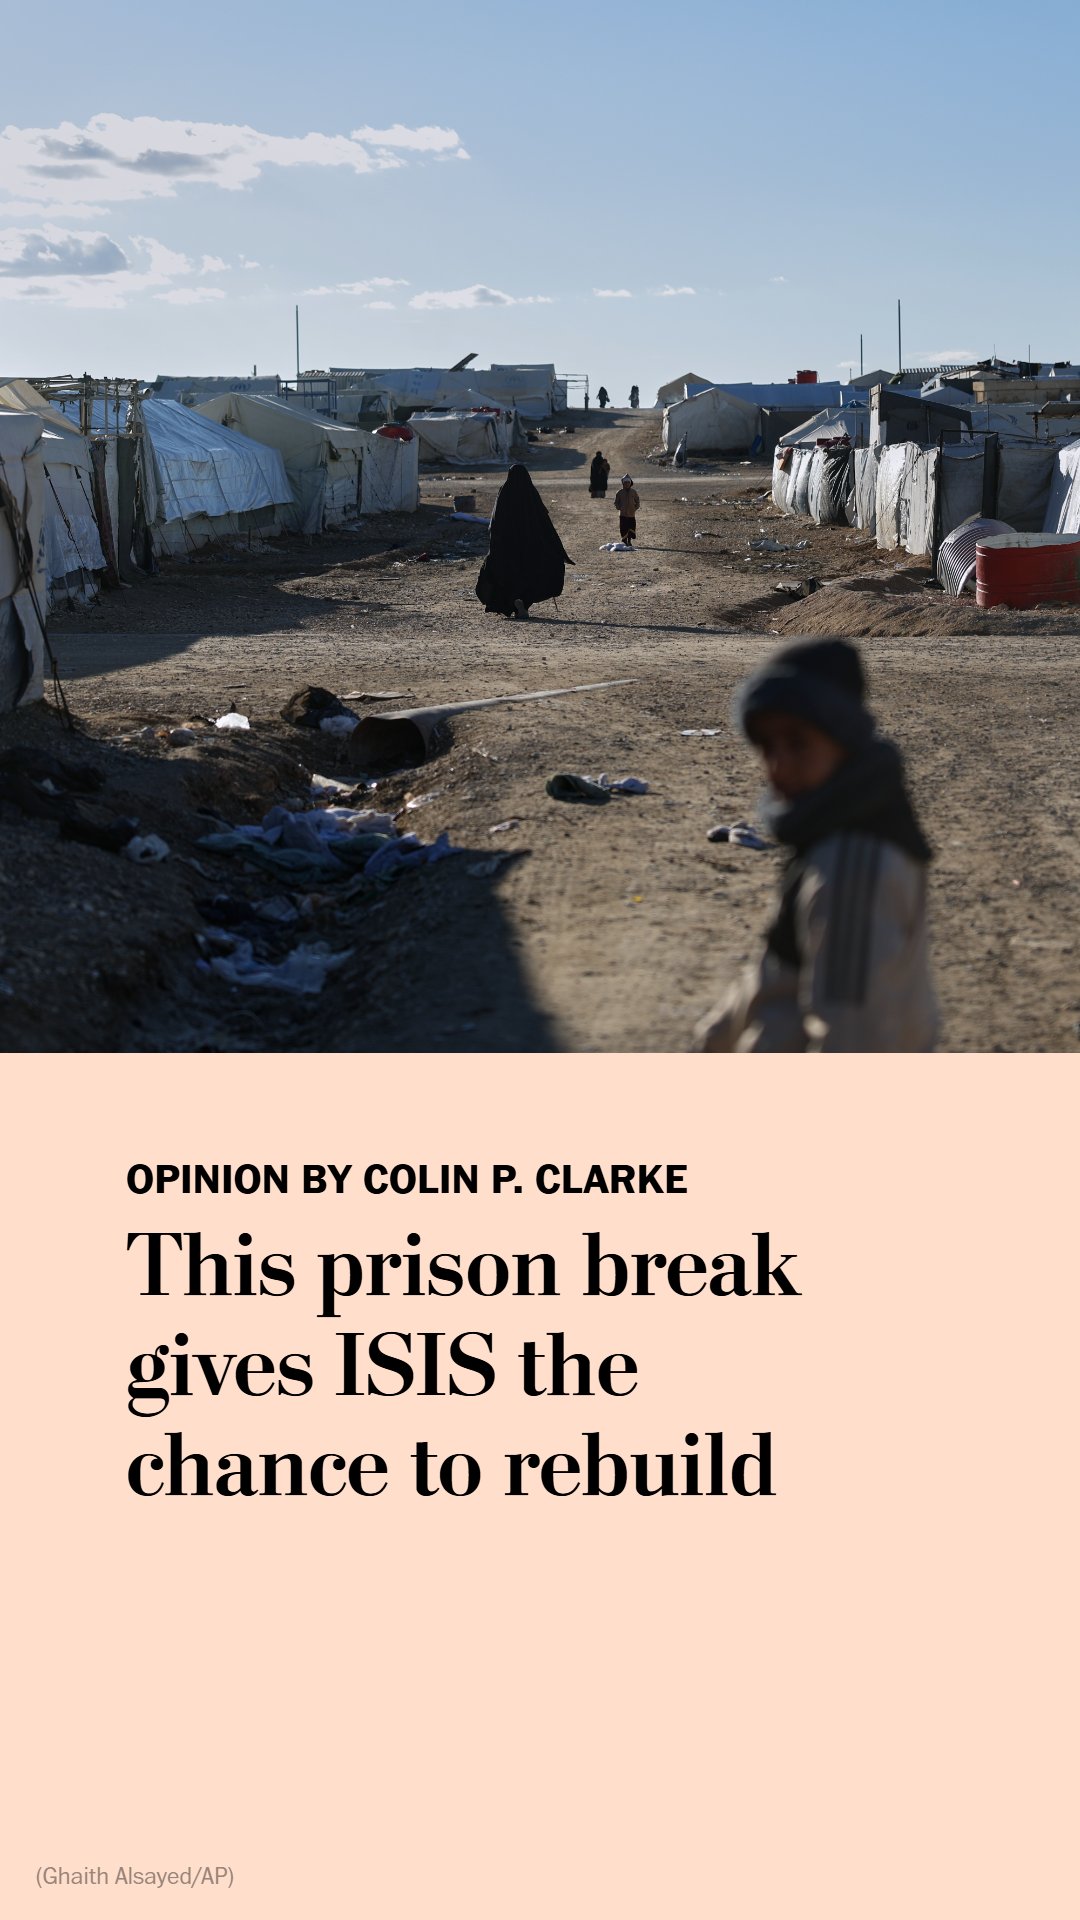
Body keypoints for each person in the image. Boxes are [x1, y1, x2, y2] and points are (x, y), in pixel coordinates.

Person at [694, 639, 938, 1052]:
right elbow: (775, 980)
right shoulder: (826, 836)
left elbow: (854, 1042)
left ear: (844, 739)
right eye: (766, 746)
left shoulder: (853, 868)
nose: (778, 766)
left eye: (798, 743)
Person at [475, 463, 573, 620]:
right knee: (529, 576)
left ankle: (514, 602)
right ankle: (524, 603)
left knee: (508, 576)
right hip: (530, 548)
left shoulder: (505, 492)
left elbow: (496, 522)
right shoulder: (531, 493)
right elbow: (545, 523)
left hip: (507, 547)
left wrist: (495, 546)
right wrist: (556, 549)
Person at [614, 474, 640, 546]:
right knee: (624, 528)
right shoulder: (619, 492)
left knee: (631, 527)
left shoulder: (633, 492)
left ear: (630, 483)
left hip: (631, 514)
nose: (627, 484)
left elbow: (637, 500)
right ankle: (625, 540)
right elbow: (616, 502)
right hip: (623, 514)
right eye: (625, 482)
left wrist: (636, 507)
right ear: (623, 483)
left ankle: (629, 540)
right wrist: (619, 508)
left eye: (628, 482)